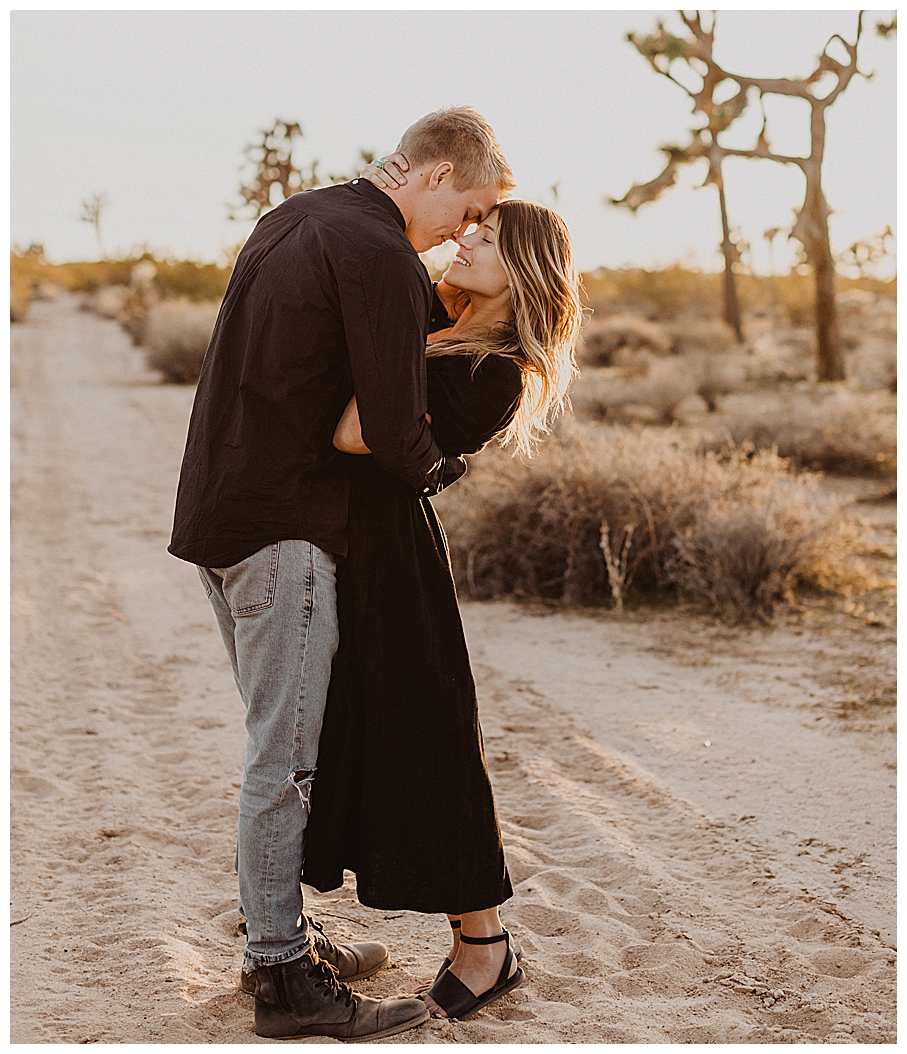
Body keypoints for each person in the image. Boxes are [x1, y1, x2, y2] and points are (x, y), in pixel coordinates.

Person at [167, 107, 514, 1041]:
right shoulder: (383, 257)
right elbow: (391, 432)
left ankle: (283, 937)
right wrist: (443, 470)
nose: (465, 231)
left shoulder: (296, 215)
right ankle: (282, 980)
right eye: (469, 208)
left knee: (278, 750)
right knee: (284, 764)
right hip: (286, 529)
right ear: (438, 174)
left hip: (220, 514)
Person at [301, 160, 584, 1022]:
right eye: (471, 224)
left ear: (525, 269)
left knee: (429, 744)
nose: (464, 238)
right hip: (351, 549)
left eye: (487, 236)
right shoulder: (430, 321)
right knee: (347, 734)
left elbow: (354, 431)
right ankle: (309, 928)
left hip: (396, 570)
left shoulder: (492, 369)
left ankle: (485, 945)